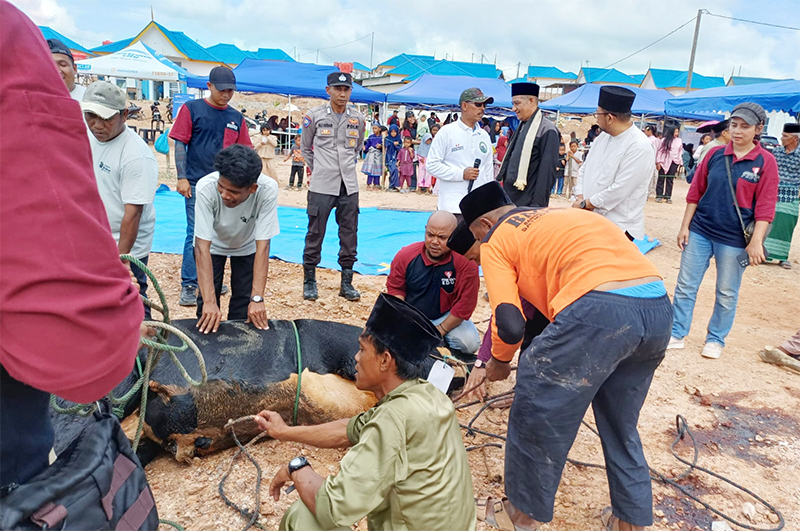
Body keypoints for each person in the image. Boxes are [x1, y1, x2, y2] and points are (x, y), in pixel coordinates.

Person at [460, 182, 671, 531]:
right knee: (620, 424)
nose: (480, 251)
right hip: (656, 309)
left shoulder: (498, 238)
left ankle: (519, 515)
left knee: (537, 405)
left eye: (476, 243)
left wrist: (498, 362)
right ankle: (629, 521)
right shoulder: (563, 217)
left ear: (483, 226)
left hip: (599, 310)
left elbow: (510, 325)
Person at [1, 1, 142, 490]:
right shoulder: (9, 38)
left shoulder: (136, 155)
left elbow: (132, 213)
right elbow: (85, 350)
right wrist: (107, 285)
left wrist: (116, 260)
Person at [254, 293, 475, 531]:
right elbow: (347, 429)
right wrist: (284, 432)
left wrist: (296, 468)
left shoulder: (392, 419)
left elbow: (332, 508)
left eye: (362, 349)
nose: (355, 358)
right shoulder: (428, 395)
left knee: (303, 517)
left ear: (385, 361)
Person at [668, 103, 778, 359]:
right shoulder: (715, 155)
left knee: (727, 291)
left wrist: (756, 242)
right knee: (685, 285)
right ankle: (677, 332)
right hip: (701, 230)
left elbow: (765, 207)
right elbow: (695, 193)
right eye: (734, 125)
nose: (738, 131)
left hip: (735, 239)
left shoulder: (766, 162)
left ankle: (716, 338)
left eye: (745, 126)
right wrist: (685, 226)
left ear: (758, 129)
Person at [169, 66, 252, 306]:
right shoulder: (192, 109)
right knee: (196, 233)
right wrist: (182, 177)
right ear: (209, 86)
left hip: (226, 187)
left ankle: (212, 280)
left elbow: (245, 150)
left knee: (220, 232)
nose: (226, 94)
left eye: (231, 91)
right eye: (222, 89)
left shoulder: (236, 118)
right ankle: (190, 284)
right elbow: (181, 144)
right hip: (196, 183)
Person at [81, 81, 159, 319]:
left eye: (105, 118)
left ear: (124, 115)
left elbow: (133, 213)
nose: (96, 124)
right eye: (90, 116)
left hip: (124, 240)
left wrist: (121, 258)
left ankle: (145, 348)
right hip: (96, 235)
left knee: (130, 293)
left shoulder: (136, 156)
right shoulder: (87, 135)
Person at [194, 145, 279, 334]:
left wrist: (257, 298)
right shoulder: (205, 188)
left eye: (232, 191)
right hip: (213, 245)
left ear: (252, 189)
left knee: (243, 303)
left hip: (246, 245)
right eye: (221, 187)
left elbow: (263, 246)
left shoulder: (267, 190)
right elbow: (201, 247)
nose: (224, 195)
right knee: (207, 307)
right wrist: (209, 301)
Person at [300, 72, 365, 302]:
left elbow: (357, 148)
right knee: (315, 232)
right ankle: (309, 280)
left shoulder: (358, 118)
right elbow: (306, 148)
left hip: (348, 185)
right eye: (337, 89)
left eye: (346, 89)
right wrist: (319, 169)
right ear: (328, 90)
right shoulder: (314, 116)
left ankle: (346, 283)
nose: (342, 93)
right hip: (321, 185)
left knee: (349, 234)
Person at [387, 211, 481, 356]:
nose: (435, 242)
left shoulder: (466, 262)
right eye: (430, 235)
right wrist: (404, 318)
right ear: (425, 230)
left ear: (454, 236)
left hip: (445, 316)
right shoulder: (405, 255)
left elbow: (465, 304)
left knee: (469, 343)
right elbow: (395, 289)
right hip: (412, 313)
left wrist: (440, 331)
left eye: (442, 237)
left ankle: (444, 351)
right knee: (383, 337)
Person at [573, 86, 655, 240]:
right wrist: (580, 197)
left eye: (597, 114)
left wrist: (585, 204)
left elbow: (619, 190)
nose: (596, 118)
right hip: (590, 219)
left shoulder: (639, 146)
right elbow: (584, 169)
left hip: (618, 227)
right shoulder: (603, 137)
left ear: (610, 118)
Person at [426, 87, 495, 218]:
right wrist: (461, 174)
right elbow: (432, 165)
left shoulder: (484, 135)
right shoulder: (447, 132)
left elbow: (488, 172)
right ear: (464, 105)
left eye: (485, 105)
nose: (482, 109)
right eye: (478, 104)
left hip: (478, 209)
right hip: (452, 207)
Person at [496, 83, 560, 207]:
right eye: (513, 104)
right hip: (511, 199)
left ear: (531, 101)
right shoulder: (523, 126)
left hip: (528, 203)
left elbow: (546, 174)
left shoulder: (546, 130)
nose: (513, 108)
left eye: (517, 103)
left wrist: (537, 206)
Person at [763, 122, 800, 269]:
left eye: (785, 136)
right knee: (768, 223)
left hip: (792, 196)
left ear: (795, 138)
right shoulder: (777, 152)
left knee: (786, 226)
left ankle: (782, 257)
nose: (782, 138)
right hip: (774, 192)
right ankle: (764, 253)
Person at [655, 124, 683, 203]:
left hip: (674, 162)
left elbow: (680, 152)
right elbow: (659, 151)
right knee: (661, 178)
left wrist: (680, 162)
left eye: (677, 132)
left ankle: (668, 196)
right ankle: (659, 195)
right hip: (664, 161)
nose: (676, 134)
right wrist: (658, 162)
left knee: (670, 179)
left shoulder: (679, 141)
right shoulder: (664, 140)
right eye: (675, 132)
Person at [361, 123, 383, 190]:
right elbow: (367, 145)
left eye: (375, 128)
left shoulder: (382, 137)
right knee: (370, 169)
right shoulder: (371, 137)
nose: (374, 130)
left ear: (379, 129)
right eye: (373, 128)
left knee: (377, 169)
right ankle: (369, 183)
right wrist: (365, 149)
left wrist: (381, 146)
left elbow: (384, 146)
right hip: (371, 154)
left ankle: (376, 184)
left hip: (378, 154)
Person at [416, 123, 434, 193]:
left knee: (428, 176)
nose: (428, 141)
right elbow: (418, 154)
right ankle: (419, 188)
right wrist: (420, 158)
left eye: (429, 140)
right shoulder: (421, 146)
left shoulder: (432, 147)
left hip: (429, 163)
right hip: (422, 163)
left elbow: (433, 155)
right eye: (427, 140)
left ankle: (427, 188)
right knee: (421, 175)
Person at [384, 124, 402, 191]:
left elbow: (400, 149)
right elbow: (386, 145)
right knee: (393, 169)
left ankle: (394, 186)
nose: (393, 133)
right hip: (389, 158)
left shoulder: (399, 139)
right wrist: (392, 144)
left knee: (396, 170)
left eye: (395, 132)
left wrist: (397, 145)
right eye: (392, 132)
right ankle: (391, 186)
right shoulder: (387, 138)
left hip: (397, 158)